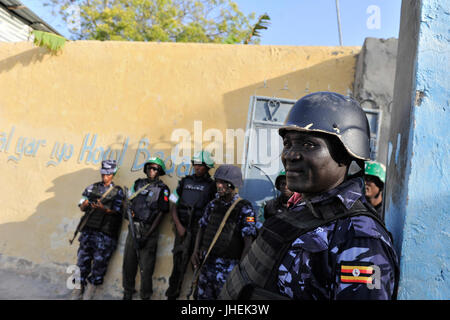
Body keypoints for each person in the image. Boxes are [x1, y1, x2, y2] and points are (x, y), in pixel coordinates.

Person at [220, 92, 399, 300]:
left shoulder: (357, 237)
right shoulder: (302, 211)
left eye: (308, 145)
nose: (290, 155)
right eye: (288, 144)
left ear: (346, 155)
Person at [190, 164, 257, 300]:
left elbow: (248, 242)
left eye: (223, 183)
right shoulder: (213, 205)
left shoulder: (244, 208)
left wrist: (240, 270)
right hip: (207, 264)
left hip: (228, 269)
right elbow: (202, 228)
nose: (219, 186)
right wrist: (195, 251)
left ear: (232, 184)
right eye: (218, 182)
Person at [165, 151, 217, 300]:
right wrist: (179, 225)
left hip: (199, 231)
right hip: (181, 229)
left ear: (207, 167)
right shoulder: (185, 182)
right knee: (177, 266)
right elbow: (173, 204)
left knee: (197, 266)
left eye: (200, 165)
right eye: (195, 164)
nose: (197, 167)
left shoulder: (212, 186)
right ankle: (172, 296)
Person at [72, 160, 124, 300]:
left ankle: (89, 293)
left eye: (108, 174)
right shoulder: (92, 188)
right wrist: (84, 205)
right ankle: (76, 292)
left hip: (105, 235)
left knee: (99, 266)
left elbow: (117, 211)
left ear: (113, 174)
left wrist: (104, 209)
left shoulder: (117, 192)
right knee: (81, 262)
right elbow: (81, 204)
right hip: (88, 231)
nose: (105, 176)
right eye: (103, 173)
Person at [122, 157, 170, 300]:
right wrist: (128, 211)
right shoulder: (138, 184)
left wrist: (148, 235)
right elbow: (128, 201)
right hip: (133, 227)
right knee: (128, 263)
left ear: (159, 171)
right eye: (150, 167)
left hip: (149, 230)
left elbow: (161, 214)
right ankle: (127, 292)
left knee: (146, 268)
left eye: (155, 168)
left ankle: (145, 296)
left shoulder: (163, 189)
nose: (152, 171)